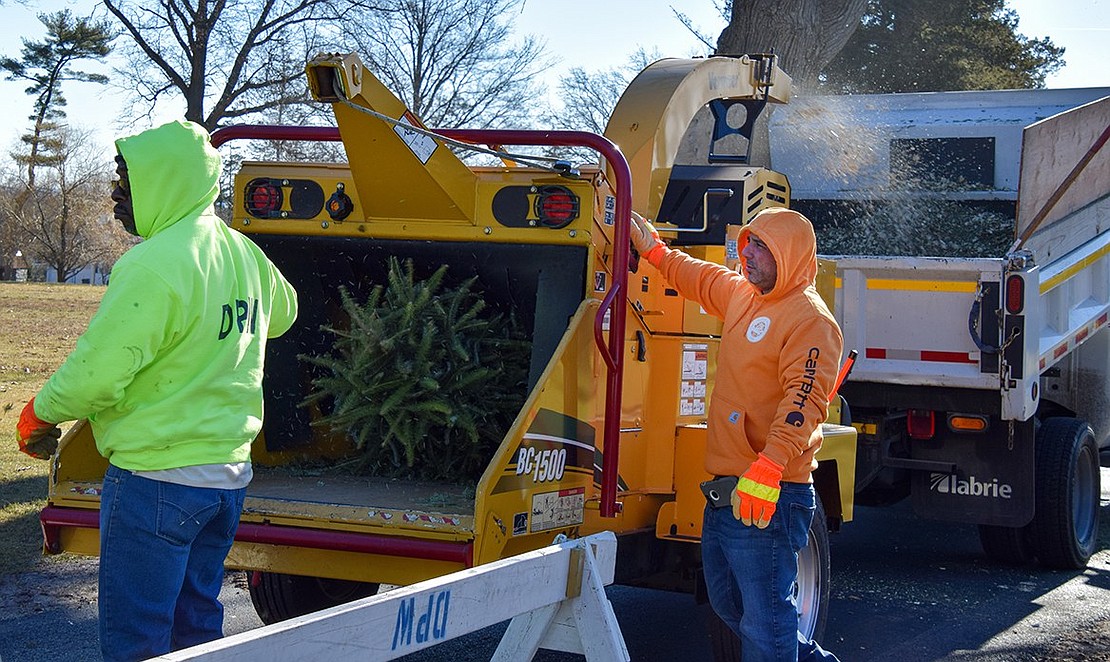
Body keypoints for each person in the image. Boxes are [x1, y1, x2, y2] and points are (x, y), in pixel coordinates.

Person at [14, 120, 298, 661]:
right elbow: (284, 314)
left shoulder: (153, 263)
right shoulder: (244, 254)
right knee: (194, 630)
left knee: (137, 641)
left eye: (127, 183)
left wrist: (40, 412)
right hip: (227, 481)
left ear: (165, 183)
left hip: (156, 482)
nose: (117, 198)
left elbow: (98, 372)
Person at [631, 207, 842, 661]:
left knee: (764, 624)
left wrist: (768, 467)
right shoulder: (745, 295)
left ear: (789, 254)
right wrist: (652, 248)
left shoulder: (811, 320)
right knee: (734, 608)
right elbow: (700, 277)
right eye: (748, 242)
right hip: (726, 492)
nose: (748, 253)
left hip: (770, 494)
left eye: (762, 246)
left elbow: (803, 402)